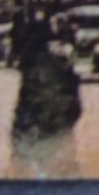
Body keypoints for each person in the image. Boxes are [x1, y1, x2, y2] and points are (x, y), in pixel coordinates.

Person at [10, 16, 82, 178]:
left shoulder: (32, 71)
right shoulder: (61, 69)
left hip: (38, 137)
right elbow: (74, 108)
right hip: (54, 138)